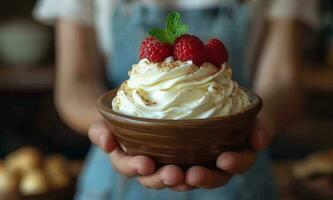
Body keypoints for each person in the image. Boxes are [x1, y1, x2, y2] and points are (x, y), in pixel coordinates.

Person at [33, 0, 318, 199]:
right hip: (117, 169)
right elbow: (75, 82)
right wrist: (107, 127)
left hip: (239, 169)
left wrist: (258, 127)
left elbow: (282, 80)